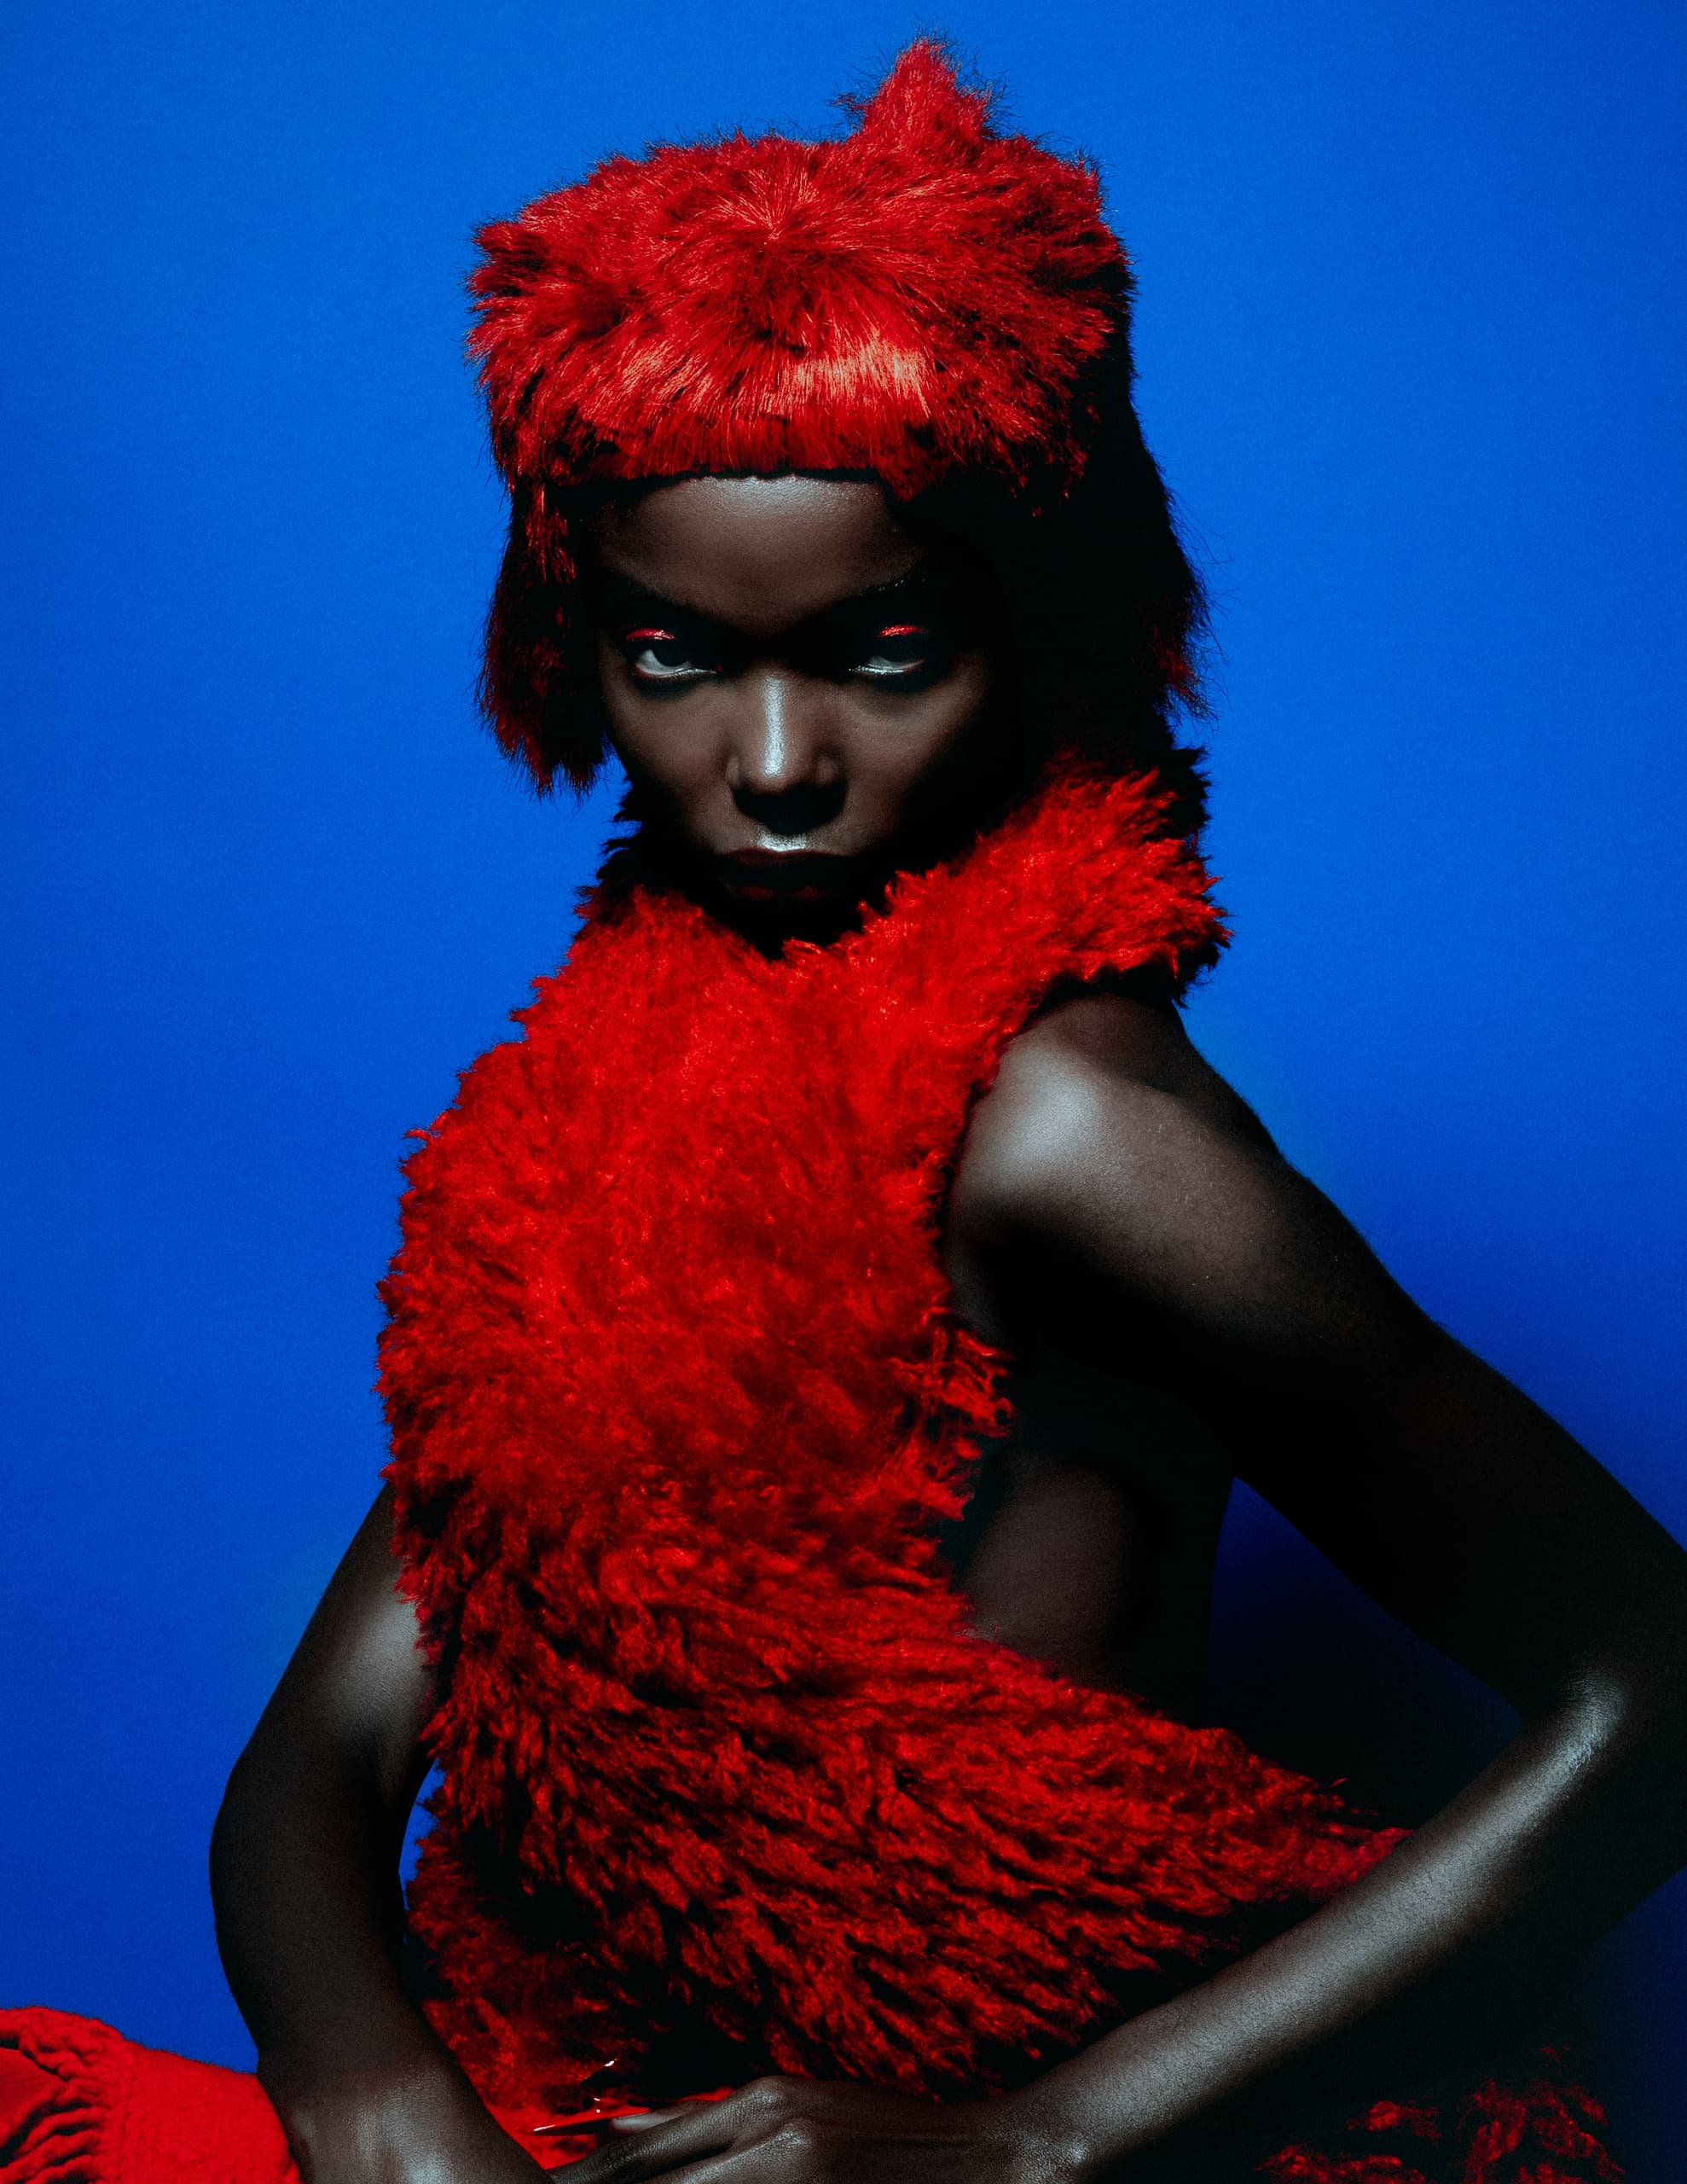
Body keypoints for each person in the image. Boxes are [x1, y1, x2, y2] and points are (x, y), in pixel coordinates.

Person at [3, 40, 1683, 2184]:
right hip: (589, 2102)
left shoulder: (1074, 1135)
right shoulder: (598, 1092)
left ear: (1030, 629)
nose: (776, 763)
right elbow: (317, 1761)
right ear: (577, 639)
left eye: (881, 655)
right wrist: (383, 2108)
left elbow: (1657, 1686)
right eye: (674, 657)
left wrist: (1031, 2144)